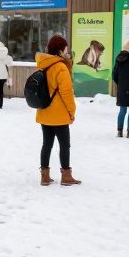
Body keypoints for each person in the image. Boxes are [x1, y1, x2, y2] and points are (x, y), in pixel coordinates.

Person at [35, 34, 81, 187]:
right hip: (59, 114)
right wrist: (71, 111)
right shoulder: (60, 67)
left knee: (46, 144)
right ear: (61, 49)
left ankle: (44, 176)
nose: (67, 51)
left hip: (44, 111)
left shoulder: (43, 64)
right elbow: (67, 93)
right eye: (65, 48)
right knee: (64, 145)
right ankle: (66, 176)